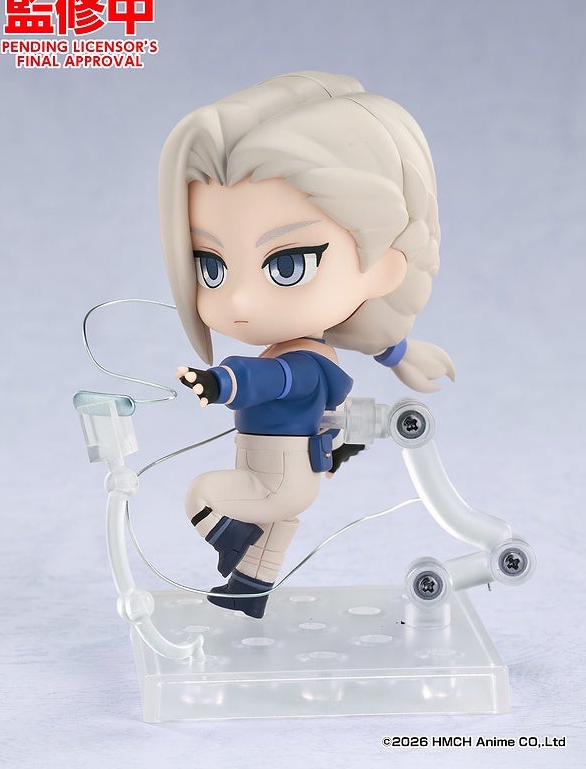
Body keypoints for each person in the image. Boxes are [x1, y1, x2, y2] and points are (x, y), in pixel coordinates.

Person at [158, 71, 453, 617]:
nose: (239, 299)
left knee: (202, 493)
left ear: (384, 265)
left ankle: (231, 537)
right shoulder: (312, 359)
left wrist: (218, 382)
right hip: (282, 473)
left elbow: (268, 380)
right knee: (276, 529)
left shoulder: (305, 364)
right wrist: (398, 353)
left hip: (276, 473)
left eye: (287, 265)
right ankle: (251, 590)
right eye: (211, 266)